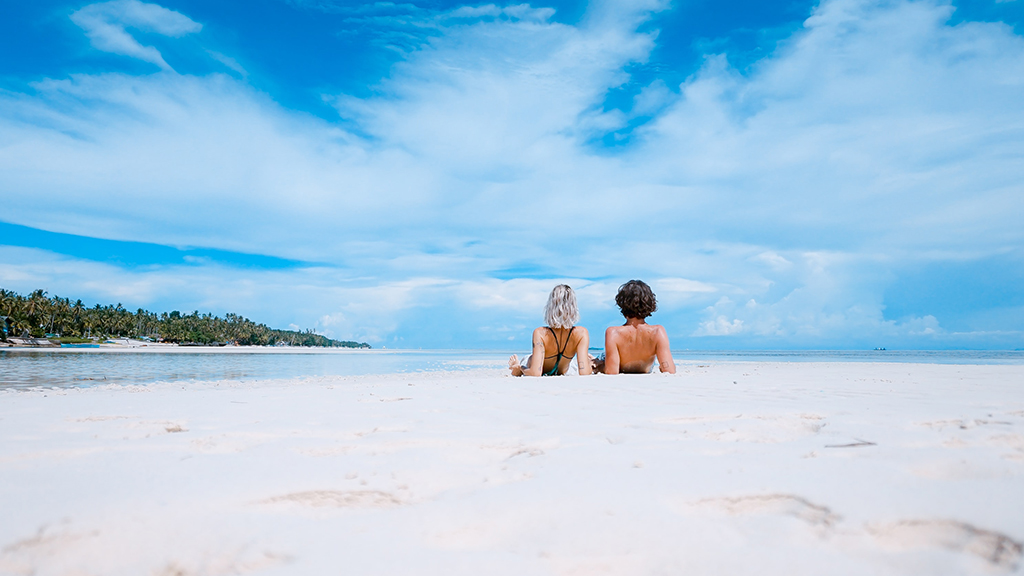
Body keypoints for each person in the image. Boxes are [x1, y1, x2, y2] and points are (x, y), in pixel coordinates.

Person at [508, 284, 592, 376]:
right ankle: (517, 367)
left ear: (550, 307)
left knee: (529, 360)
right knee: (571, 365)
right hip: (564, 369)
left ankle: (517, 367)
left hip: (535, 365)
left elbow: (535, 373)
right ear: (573, 307)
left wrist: (521, 367)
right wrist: (589, 363)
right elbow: (585, 372)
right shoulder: (581, 333)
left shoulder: (541, 333)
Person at [599, 280, 676, 374]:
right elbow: (669, 370)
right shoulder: (658, 331)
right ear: (650, 303)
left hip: (620, 366)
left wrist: (600, 366)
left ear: (622, 303)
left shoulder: (613, 332)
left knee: (602, 357)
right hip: (645, 368)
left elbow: (611, 371)